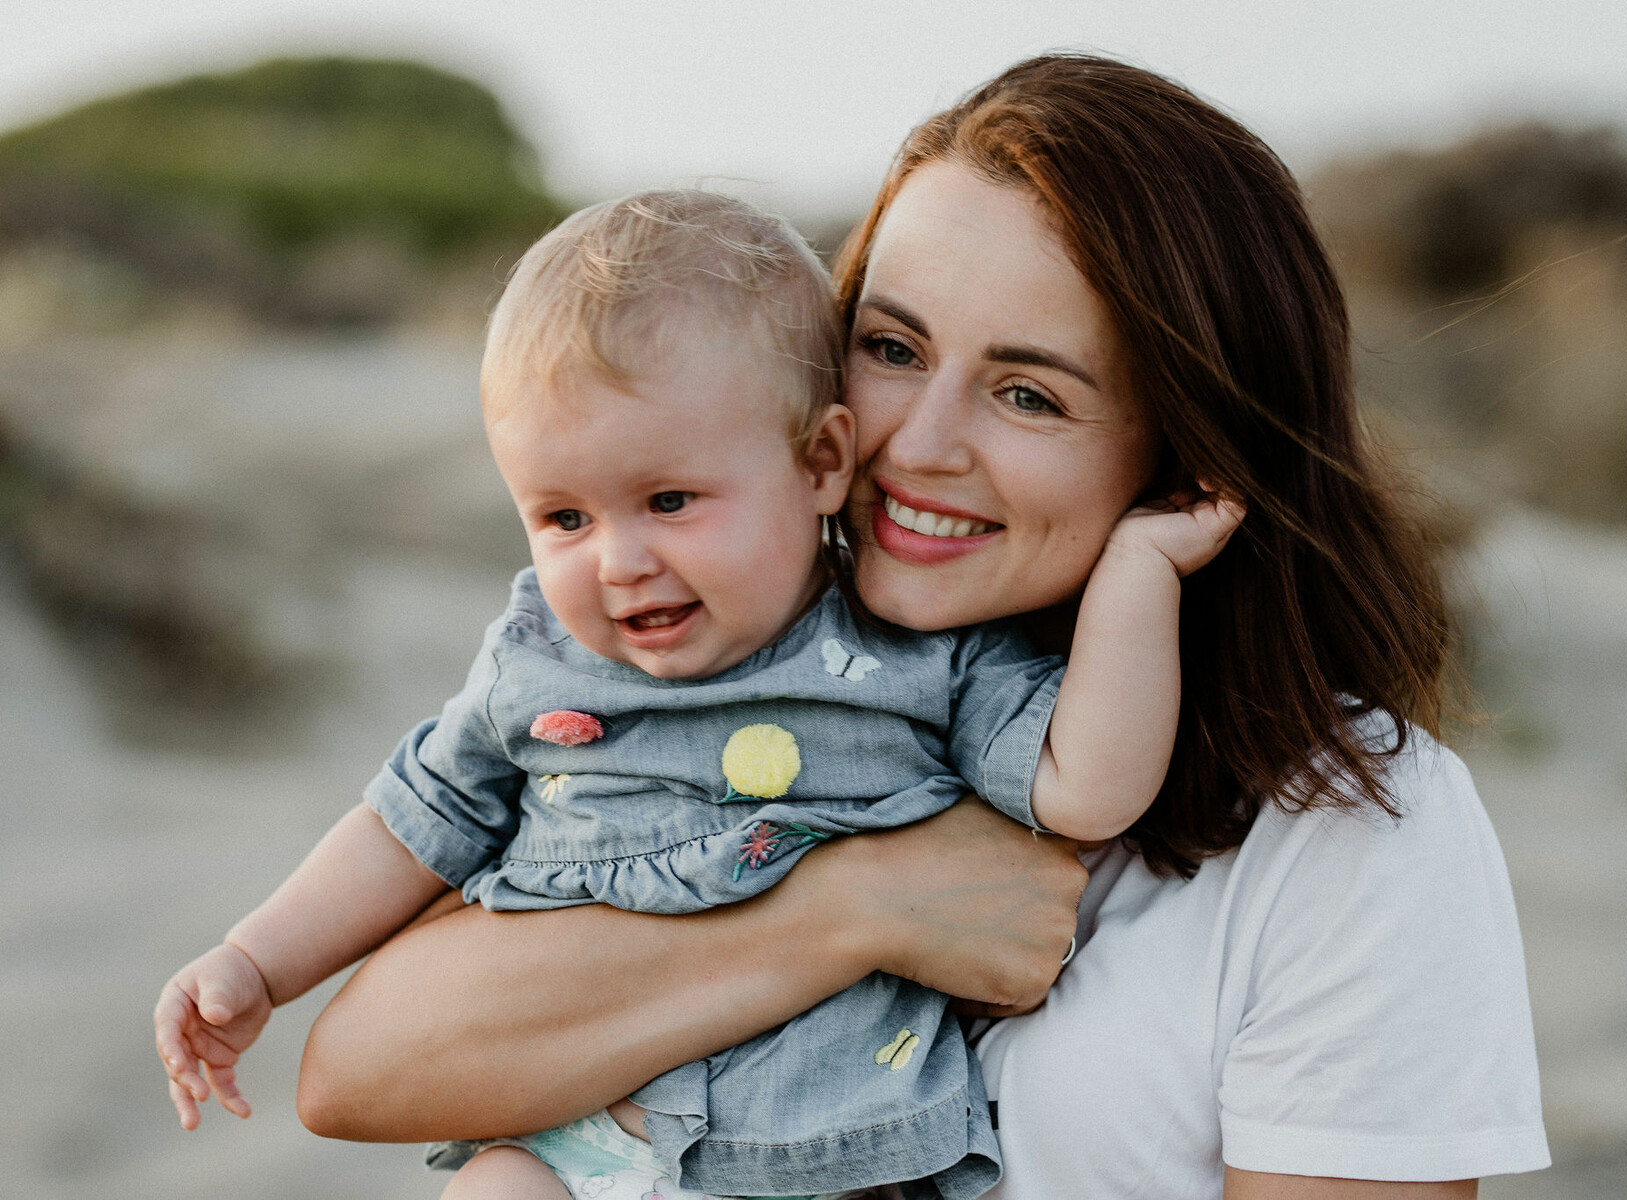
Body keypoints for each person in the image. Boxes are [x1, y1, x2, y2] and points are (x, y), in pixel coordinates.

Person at [293, 54, 1550, 1199]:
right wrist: (853, 909)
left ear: (1187, 454)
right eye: (891, 347)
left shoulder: (1347, 834)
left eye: (1026, 392)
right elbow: (355, 1072)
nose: (919, 445)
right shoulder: (712, 685)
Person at [151, 188, 1239, 1200]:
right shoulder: (537, 659)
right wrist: (255, 958)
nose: (616, 559)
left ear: (820, 461)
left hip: (827, 1149)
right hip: (569, 1134)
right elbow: (411, 821)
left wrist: (1139, 577)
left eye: (669, 499)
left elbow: (1089, 789)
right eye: (564, 517)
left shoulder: (917, 659)